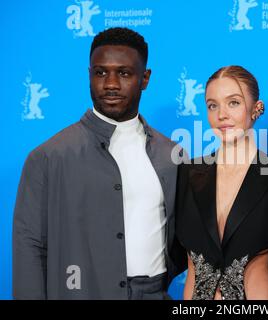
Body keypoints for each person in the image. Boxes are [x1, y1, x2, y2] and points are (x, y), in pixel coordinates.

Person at [13, 27, 185, 299]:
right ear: (89, 75)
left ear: (145, 79)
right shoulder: (49, 157)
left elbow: (187, 238)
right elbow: (29, 247)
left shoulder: (172, 155)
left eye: (124, 73)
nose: (111, 84)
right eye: (101, 72)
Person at [175, 65, 268, 300]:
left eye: (234, 102)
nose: (221, 115)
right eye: (212, 105)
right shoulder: (185, 174)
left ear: (256, 109)